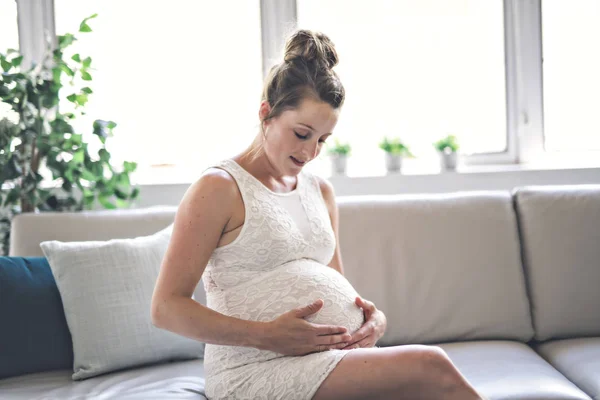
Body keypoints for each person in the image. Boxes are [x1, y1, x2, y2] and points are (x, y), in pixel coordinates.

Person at [151, 29, 486, 400]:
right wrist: (266, 336)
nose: (310, 152)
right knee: (431, 366)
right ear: (267, 114)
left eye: (322, 140)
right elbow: (166, 307)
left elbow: (337, 285)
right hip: (254, 368)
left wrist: (374, 320)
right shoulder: (219, 187)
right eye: (301, 133)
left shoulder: (320, 191)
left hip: (330, 360)